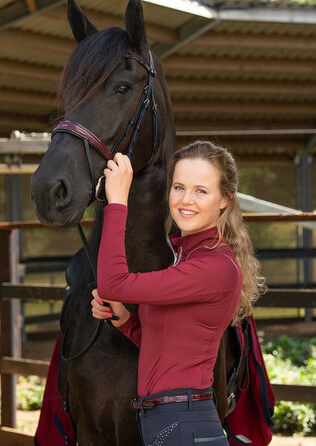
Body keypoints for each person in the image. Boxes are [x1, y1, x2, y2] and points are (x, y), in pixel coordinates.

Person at [91, 141, 264, 446]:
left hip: (182, 422)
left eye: (201, 190)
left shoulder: (215, 266)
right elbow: (170, 348)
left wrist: (117, 202)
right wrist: (126, 322)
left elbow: (112, 283)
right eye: (179, 187)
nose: (186, 200)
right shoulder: (185, 256)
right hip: (167, 420)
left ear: (224, 200)